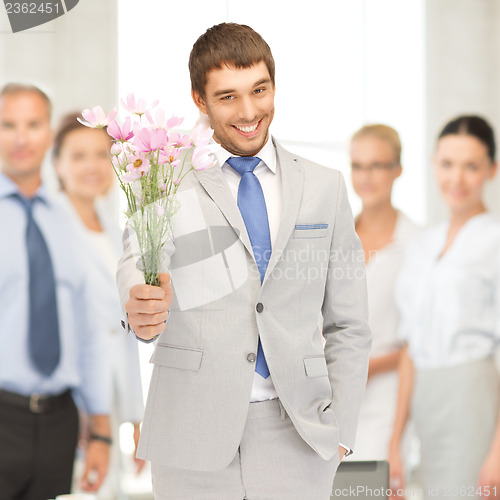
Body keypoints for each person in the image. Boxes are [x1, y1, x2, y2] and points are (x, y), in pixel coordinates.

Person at [117, 23, 371, 500]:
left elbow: (350, 323)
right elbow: (137, 260)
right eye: (228, 97)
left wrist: (340, 431)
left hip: (298, 432)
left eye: (260, 90)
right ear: (200, 99)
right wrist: (138, 303)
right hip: (189, 434)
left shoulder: (325, 186)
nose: (250, 111)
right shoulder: (167, 180)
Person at [0, 83, 111, 500]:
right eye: (8, 125)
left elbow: (88, 332)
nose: (22, 137)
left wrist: (101, 432)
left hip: (59, 424)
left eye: (33, 124)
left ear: (49, 134)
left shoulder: (67, 224)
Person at [389, 115, 500, 499]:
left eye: (471, 166)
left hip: (473, 397)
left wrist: (498, 454)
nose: (457, 178)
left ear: (492, 170)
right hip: (426, 400)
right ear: (434, 165)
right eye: (447, 164)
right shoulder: (422, 245)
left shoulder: (494, 241)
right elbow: (409, 349)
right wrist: (395, 444)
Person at [52, 112, 145, 499]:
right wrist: (87, 414)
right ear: (56, 164)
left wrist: (138, 418)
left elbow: (123, 330)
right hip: (71, 408)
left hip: (114, 398)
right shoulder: (49, 226)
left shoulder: (113, 229)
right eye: (78, 156)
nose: (92, 166)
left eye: (101, 155)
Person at [347, 124, 419, 461]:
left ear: (397, 170)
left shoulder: (419, 244)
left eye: (377, 165)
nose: (366, 176)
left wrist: (369, 367)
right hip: (332, 398)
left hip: (388, 401)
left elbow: (417, 342)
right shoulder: (335, 238)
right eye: (358, 166)